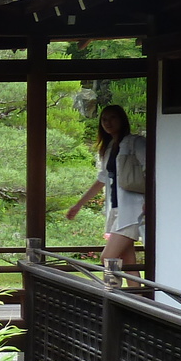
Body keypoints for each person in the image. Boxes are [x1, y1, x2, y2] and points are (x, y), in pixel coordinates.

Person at [65, 104, 147, 270]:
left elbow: (151, 170)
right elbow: (102, 179)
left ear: (122, 120)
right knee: (128, 262)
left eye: (112, 118)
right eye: (104, 119)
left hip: (134, 209)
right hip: (117, 209)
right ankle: (134, 295)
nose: (107, 123)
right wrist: (79, 205)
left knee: (108, 258)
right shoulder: (109, 147)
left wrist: (150, 200)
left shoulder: (135, 142)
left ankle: (111, 294)